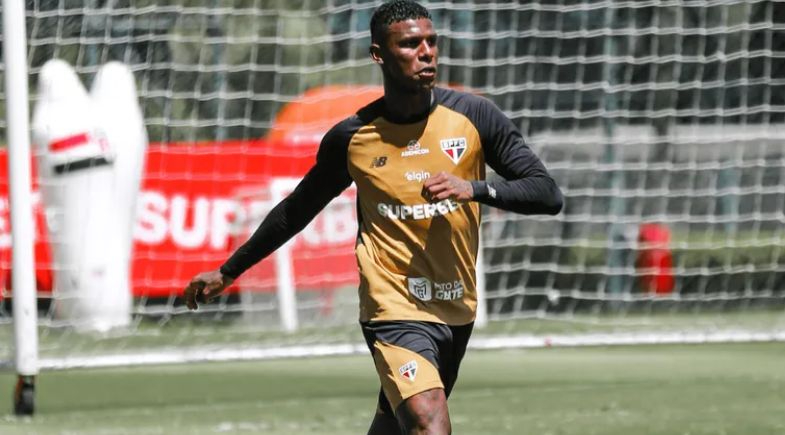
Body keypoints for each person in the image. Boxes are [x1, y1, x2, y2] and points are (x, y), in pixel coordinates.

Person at [183, 1, 563, 433]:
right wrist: (229, 271)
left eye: (431, 41)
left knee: (394, 425)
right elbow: (296, 210)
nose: (426, 52)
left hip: (456, 304)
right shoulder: (353, 137)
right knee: (429, 423)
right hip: (392, 304)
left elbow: (546, 193)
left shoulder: (474, 116)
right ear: (379, 54)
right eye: (410, 44)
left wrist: (475, 189)